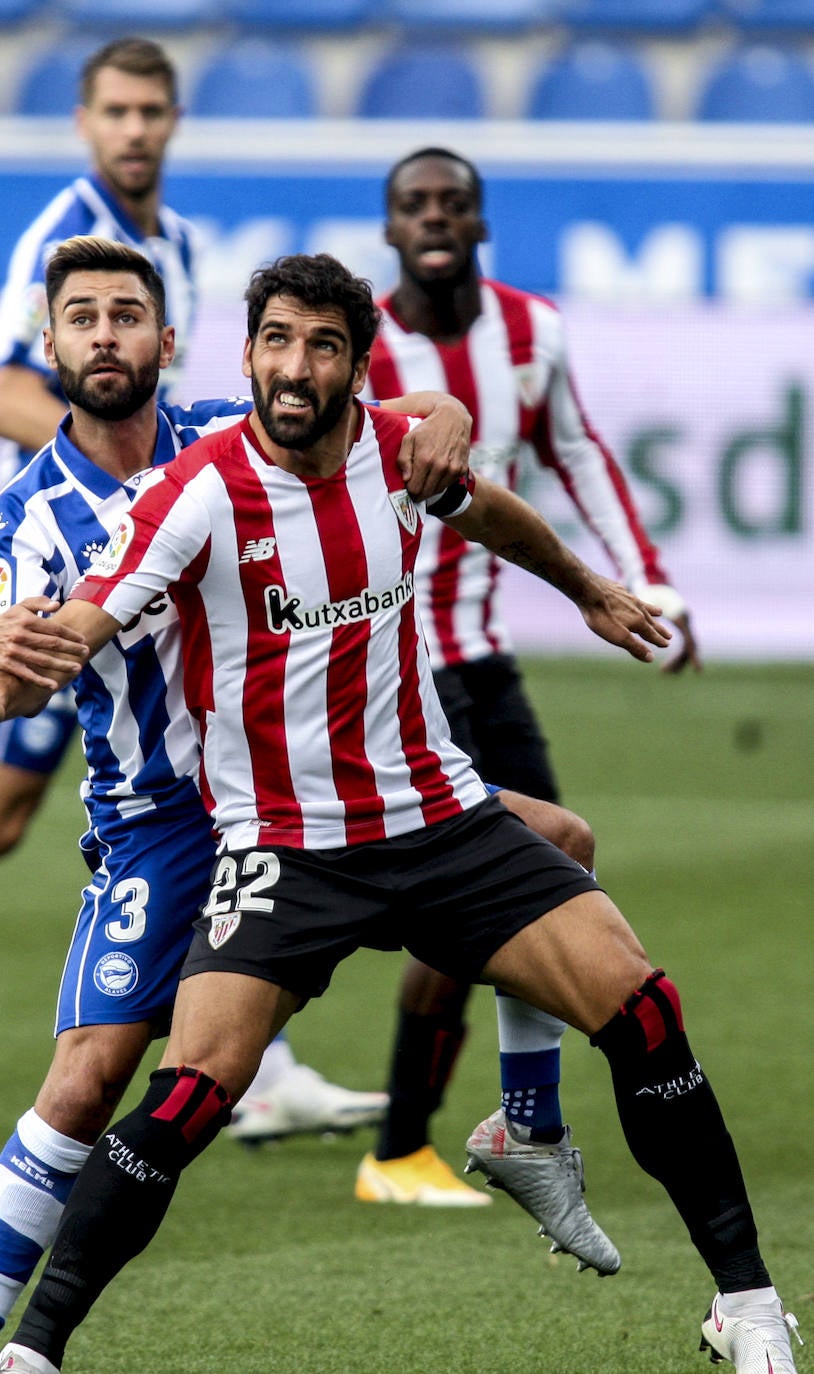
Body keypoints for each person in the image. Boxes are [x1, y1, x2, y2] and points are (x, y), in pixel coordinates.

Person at [0, 253, 799, 1374]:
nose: (295, 366)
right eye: (277, 341)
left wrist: (585, 589)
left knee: (644, 1006)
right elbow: (86, 623)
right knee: (182, 1095)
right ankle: (25, 1352)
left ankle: (746, 1302)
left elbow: (491, 510)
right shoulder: (193, 493)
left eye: (322, 345)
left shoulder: (392, 448)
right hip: (282, 849)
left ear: (354, 366)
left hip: (438, 823)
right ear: (246, 355)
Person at [0, 235, 485, 1374]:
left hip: (305, 782)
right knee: (85, 1082)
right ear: (53, 346)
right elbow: (9, 638)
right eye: (82, 318)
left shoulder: (230, 426)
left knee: (547, 844)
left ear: (167, 343)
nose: (106, 334)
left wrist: (450, 416)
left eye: (128, 315)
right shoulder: (24, 517)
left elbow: (388, 408)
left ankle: (525, 1124)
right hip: (166, 821)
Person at [0, 36, 378, 1144]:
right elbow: (8, 400)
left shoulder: (179, 247)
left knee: (189, 802)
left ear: (172, 121)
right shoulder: (56, 238)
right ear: (83, 122)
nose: (133, 130)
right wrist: (150, 504)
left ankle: (256, 1068)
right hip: (73, 578)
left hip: (146, 588)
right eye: (114, 111)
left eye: (151, 111)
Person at [354, 145, 704, 1217]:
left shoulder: (531, 331)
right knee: (468, 900)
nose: (435, 218)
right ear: (390, 226)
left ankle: (516, 1124)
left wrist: (642, 581)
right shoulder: (360, 344)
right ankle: (400, 1141)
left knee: (557, 864)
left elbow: (580, 452)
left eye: (453, 203)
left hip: (481, 657)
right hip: (392, 668)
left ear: (481, 222)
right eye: (415, 204)